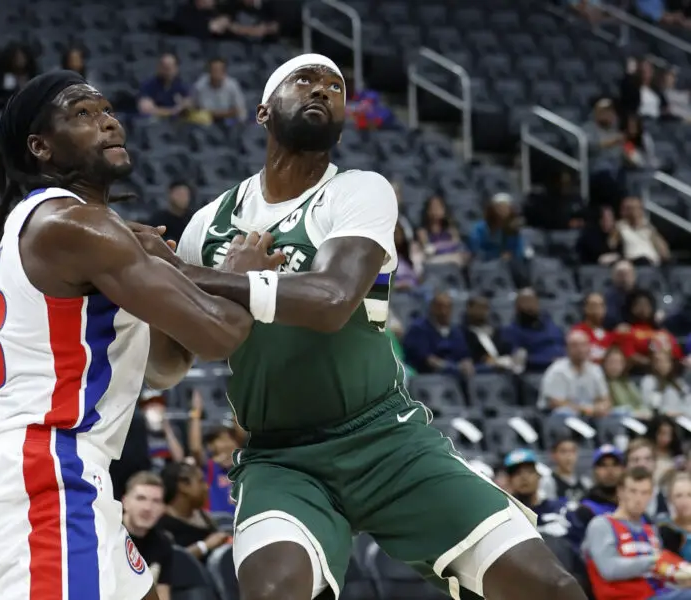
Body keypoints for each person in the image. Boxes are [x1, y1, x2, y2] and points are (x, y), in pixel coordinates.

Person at [166, 53, 581, 600]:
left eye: (335, 86)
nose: (322, 90)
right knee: (272, 593)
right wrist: (136, 293)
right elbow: (175, 355)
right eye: (305, 80)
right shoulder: (210, 223)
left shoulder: (359, 190)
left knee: (549, 586)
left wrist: (205, 279)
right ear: (263, 111)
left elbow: (333, 299)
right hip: (281, 456)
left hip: (386, 437)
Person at [0, 71, 257, 600]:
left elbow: (165, 367)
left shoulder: (81, 229)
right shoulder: (72, 226)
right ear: (40, 147)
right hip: (46, 467)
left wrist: (160, 269)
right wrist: (241, 276)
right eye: (83, 114)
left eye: (108, 110)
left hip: (60, 469)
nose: (108, 122)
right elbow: (219, 336)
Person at [584, 467, 691, 600]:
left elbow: (663, 571)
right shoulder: (602, 525)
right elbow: (609, 569)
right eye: (633, 491)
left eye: (644, 492)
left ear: (651, 495)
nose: (638, 498)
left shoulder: (651, 530)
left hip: (659, 593)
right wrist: (653, 561)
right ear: (621, 492)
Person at [158, 461, 230, 560]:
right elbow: (169, 562)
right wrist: (204, 546)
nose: (206, 487)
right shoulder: (160, 524)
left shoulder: (204, 516)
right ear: (183, 486)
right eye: (201, 481)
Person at [122, 472, 174, 599]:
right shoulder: (105, 535)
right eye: (141, 498)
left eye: (156, 501)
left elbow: (162, 594)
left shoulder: (163, 543)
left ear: (163, 508)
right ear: (125, 502)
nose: (148, 507)